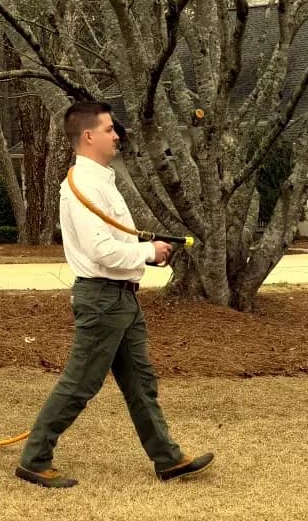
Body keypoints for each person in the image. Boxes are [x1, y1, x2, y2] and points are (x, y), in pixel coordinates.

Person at [15, 101, 214, 489]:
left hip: (121, 297)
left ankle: (168, 459)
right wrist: (146, 252)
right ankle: (34, 459)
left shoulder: (101, 180)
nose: (117, 135)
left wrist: (147, 251)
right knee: (80, 384)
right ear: (88, 136)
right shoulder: (83, 186)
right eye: (109, 129)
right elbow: (100, 252)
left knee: (140, 381)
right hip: (102, 299)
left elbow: (113, 242)